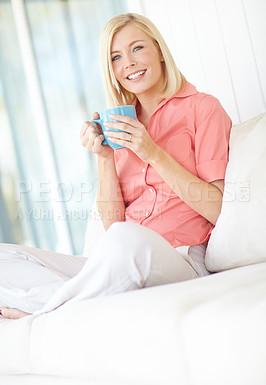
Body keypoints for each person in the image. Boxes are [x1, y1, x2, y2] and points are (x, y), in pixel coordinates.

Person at [0, 13, 231, 320]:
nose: (129, 64)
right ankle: (77, 296)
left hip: (181, 258)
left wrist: (152, 152)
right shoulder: (120, 124)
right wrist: (105, 157)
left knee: (126, 240)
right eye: (116, 57)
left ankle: (43, 310)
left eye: (137, 48)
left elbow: (218, 210)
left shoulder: (202, 108)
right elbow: (112, 225)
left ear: (160, 51)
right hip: (118, 257)